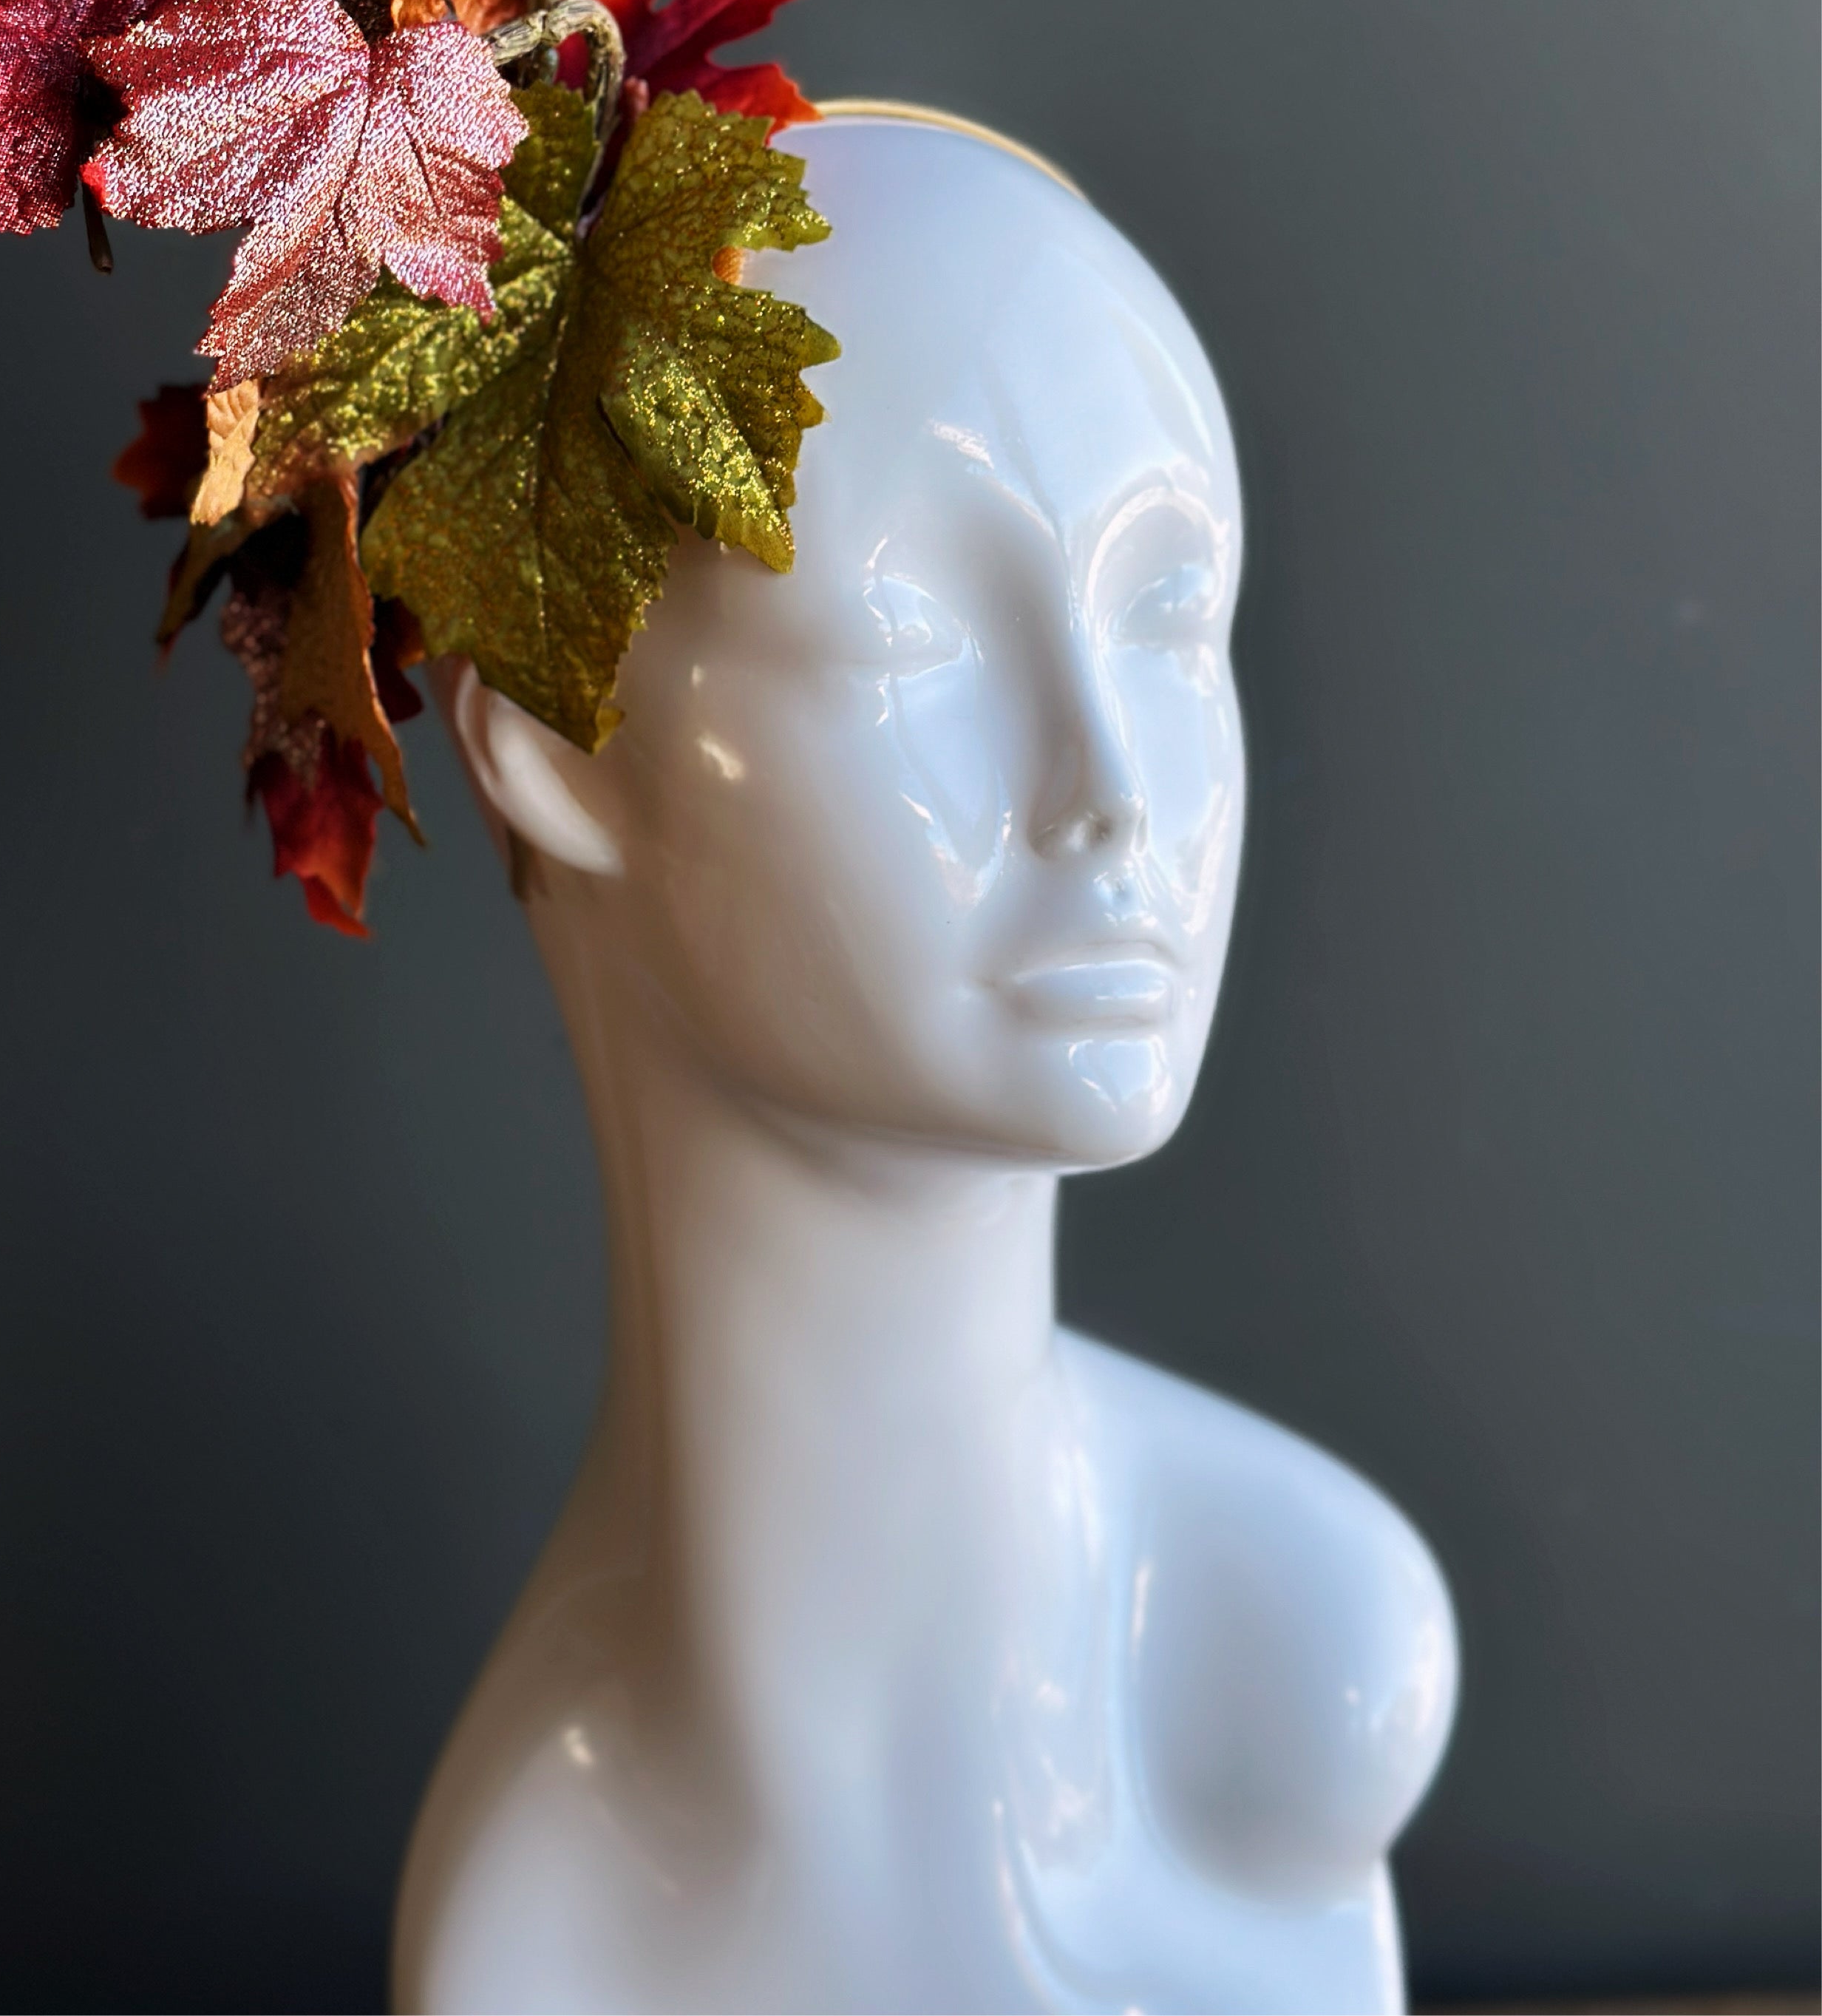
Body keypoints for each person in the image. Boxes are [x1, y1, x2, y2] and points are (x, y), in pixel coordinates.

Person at [395, 109, 1458, 2016]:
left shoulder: (1307, 1670)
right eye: (911, 640)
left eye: (1169, 620)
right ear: (561, 749)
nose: (1114, 793)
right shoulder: (550, 1947)